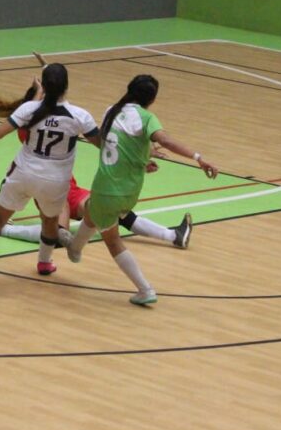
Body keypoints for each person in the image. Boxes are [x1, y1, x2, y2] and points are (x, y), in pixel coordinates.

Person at [0, 79, 192, 250]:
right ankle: (5, 229)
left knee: (113, 210)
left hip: (69, 186)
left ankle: (172, 236)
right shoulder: (29, 122)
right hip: (50, 186)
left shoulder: (52, 115)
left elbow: (105, 143)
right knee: (58, 234)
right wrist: (42, 91)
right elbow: (34, 111)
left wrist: (138, 160)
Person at [0, 63, 99, 283]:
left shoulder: (28, 110)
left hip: (23, 173)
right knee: (50, 223)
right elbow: (102, 143)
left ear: (42, 86)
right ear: (66, 86)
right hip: (55, 179)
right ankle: (44, 262)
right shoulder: (80, 116)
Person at [68, 74, 218, 306]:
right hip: (130, 190)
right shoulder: (146, 118)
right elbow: (158, 142)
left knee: (112, 239)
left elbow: (112, 143)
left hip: (108, 188)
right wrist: (195, 158)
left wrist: (148, 155)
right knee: (91, 211)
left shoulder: (111, 111)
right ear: (152, 99)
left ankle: (145, 289)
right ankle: (74, 250)